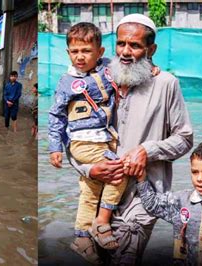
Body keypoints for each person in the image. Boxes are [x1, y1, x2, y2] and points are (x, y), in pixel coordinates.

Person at [68, 14, 193, 264]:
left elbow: (185, 138)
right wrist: (90, 168)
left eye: (135, 45)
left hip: (140, 199)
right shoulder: (98, 81)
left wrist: (148, 150)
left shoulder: (165, 84)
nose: (125, 52)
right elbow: (74, 137)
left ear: (151, 49)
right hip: (96, 194)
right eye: (121, 44)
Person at [49, 22, 126, 255]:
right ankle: (102, 224)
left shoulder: (108, 68)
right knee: (118, 173)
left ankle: (82, 238)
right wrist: (55, 147)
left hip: (105, 138)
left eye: (86, 51)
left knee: (91, 190)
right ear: (68, 53)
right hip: (83, 142)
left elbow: (130, 67)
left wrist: (151, 68)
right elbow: (56, 115)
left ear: (100, 52)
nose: (80, 57)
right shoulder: (66, 82)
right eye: (75, 52)